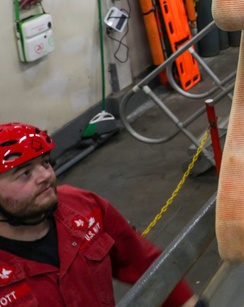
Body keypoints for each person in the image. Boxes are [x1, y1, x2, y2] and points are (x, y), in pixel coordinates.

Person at [0, 123, 201, 307]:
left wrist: (188, 303)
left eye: (45, 163)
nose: (45, 176)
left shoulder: (84, 205)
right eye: (25, 173)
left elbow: (142, 261)